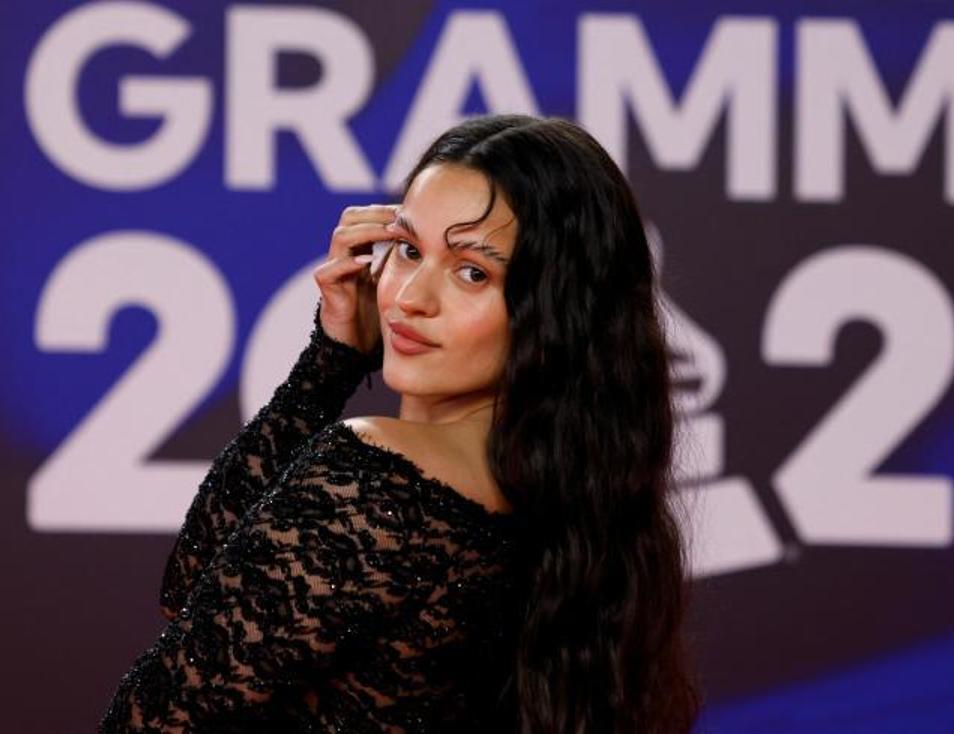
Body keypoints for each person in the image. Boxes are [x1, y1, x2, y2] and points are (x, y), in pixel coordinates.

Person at [98, 114, 702, 733]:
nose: (411, 296)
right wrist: (331, 357)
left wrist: (327, 368)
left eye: (473, 272)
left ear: (553, 313)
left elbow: (151, 712)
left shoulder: (373, 476)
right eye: (409, 249)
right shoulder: (578, 511)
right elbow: (199, 586)